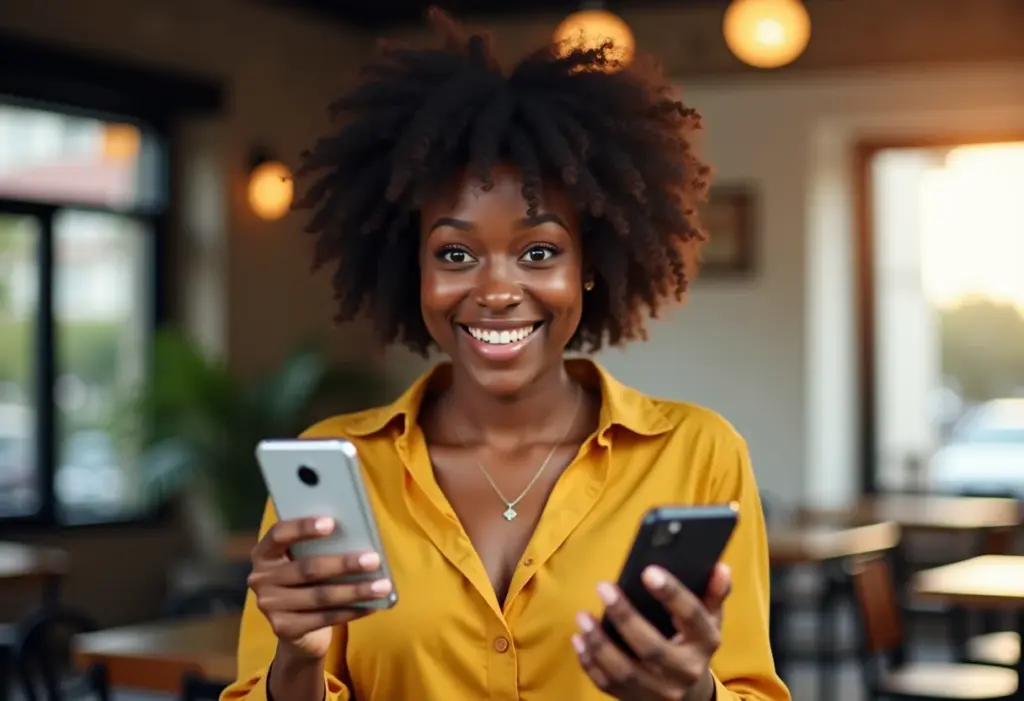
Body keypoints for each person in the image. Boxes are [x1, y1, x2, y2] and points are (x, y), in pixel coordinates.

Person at [222, 9, 789, 701]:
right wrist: (296, 663)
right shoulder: (337, 465)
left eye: (539, 251)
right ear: (412, 268)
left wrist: (692, 691)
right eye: (455, 254)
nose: (495, 291)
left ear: (589, 265)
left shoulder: (696, 454)